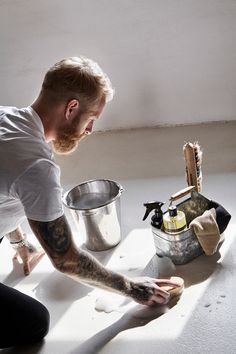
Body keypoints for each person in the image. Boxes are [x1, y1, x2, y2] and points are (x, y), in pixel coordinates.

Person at [0, 56, 180, 348]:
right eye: (91, 118)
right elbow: (66, 259)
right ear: (71, 108)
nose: (90, 130)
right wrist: (132, 288)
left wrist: (18, 241)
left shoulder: (6, 117)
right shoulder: (35, 167)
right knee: (33, 322)